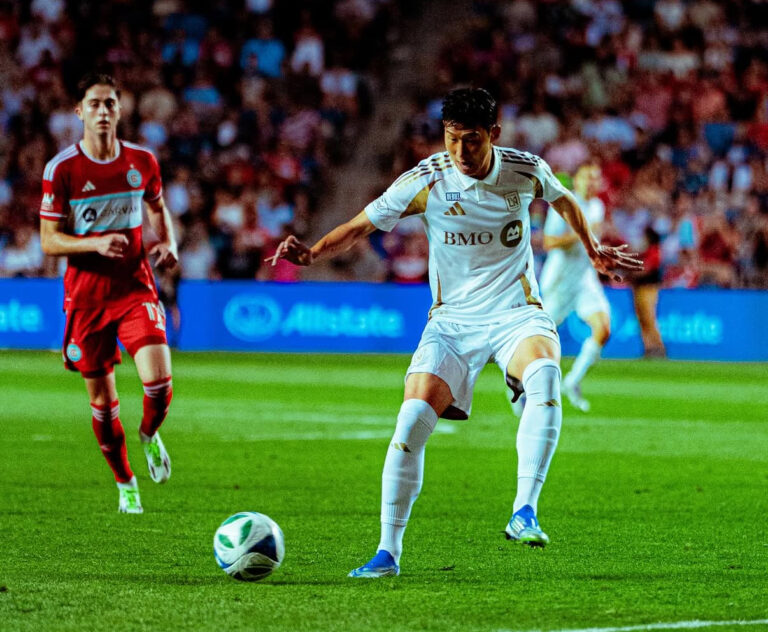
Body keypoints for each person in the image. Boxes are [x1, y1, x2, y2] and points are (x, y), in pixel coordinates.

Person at [270, 88, 641, 577]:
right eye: (451, 138)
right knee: (410, 423)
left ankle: (524, 510)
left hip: (516, 312)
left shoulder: (524, 170)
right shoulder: (427, 181)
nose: (460, 151)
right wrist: (314, 252)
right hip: (451, 323)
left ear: (494, 134)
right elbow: (362, 224)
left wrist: (592, 248)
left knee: (546, 375)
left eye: (471, 140)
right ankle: (387, 553)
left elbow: (564, 198)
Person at [39, 73, 178, 514]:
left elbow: (157, 207)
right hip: (86, 300)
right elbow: (48, 241)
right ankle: (125, 481)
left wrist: (168, 241)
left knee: (160, 384)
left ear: (120, 111)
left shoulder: (142, 161)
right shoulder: (62, 170)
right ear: (79, 111)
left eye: (110, 104)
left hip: (135, 288)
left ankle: (148, 434)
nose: (103, 111)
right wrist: (94, 244)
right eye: (94, 104)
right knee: (102, 403)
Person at [536, 162, 612, 412]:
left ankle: (572, 381)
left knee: (603, 329)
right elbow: (549, 242)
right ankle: (518, 384)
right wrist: (581, 233)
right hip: (560, 280)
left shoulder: (597, 206)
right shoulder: (564, 204)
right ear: (576, 180)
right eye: (587, 177)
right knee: (540, 339)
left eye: (596, 178)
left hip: (584, 279)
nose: (592, 183)